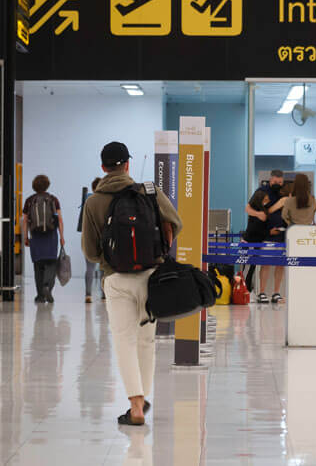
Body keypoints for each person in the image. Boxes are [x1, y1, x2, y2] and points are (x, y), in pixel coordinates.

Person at [81, 141, 182, 427]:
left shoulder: (93, 202)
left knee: (124, 341)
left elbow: (89, 251)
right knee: (146, 341)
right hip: (150, 276)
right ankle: (143, 396)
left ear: (103, 167)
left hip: (116, 279)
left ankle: (135, 405)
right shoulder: (149, 191)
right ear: (127, 164)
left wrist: (109, 257)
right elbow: (176, 223)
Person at [271, 173, 316, 304]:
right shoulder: (313, 200)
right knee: (305, 266)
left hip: (293, 233)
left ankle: (286, 295)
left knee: (290, 265)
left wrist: (291, 223)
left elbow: (284, 216)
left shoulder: (290, 201)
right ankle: (304, 294)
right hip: (307, 234)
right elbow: (313, 214)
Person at [244, 170, 287, 303]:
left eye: (280, 182)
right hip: (266, 234)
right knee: (266, 263)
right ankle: (262, 292)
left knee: (280, 265)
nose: (277, 184)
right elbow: (248, 209)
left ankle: (276, 292)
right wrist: (259, 214)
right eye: (275, 181)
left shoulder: (284, 192)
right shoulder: (262, 191)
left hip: (283, 235)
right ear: (270, 180)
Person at [22, 174, 65, 304]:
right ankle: (47, 287)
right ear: (47, 185)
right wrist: (62, 236)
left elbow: (24, 221)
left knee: (38, 266)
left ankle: (40, 296)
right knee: (51, 264)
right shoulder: (53, 199)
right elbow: (60, 220)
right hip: (51, 236)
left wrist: (25, 237)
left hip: (36, 236)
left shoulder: (29, 200)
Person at [79, 176, 104, 304]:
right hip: (103, 238)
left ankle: (88, 295)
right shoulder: (105, 200)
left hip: (89, 238)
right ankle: (104, 294)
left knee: (89, 268)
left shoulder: (87, 200)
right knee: (103, 267)